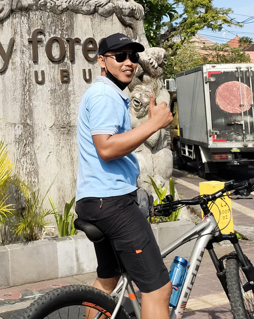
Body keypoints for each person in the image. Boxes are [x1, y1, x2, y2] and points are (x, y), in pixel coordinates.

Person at [75, 33, 174, 319]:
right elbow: (106, 148)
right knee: (157, 291)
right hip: (113, 202)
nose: (129, 62)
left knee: (107, 281)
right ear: (103, 62)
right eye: (120, 56)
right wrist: (154, 123)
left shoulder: (111, 94)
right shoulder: (105, 94)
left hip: (97, 201)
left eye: (133, 56)